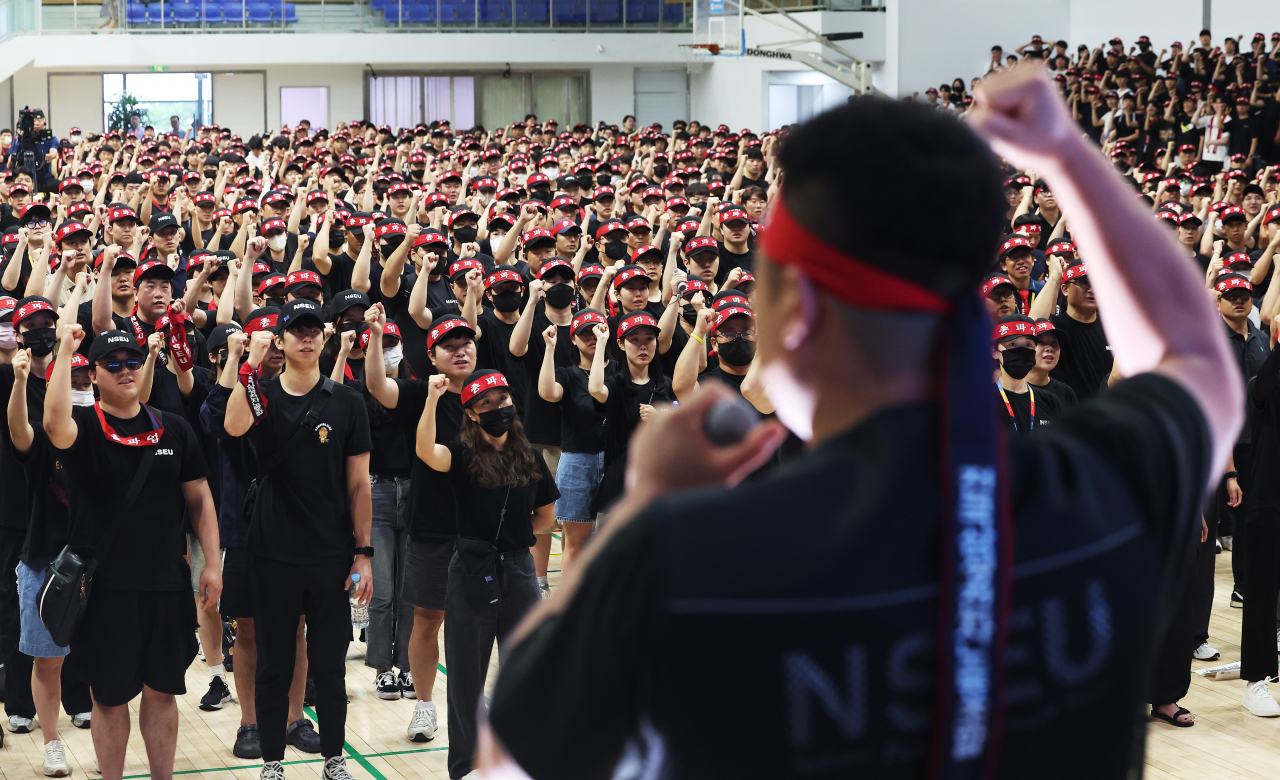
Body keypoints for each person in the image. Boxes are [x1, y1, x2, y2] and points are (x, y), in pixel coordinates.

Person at [484, 68, 1239, 779]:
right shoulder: (1104, 491)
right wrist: (1068, 157)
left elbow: (515, 758)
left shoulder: (687, 558)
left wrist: (644, 511)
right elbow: (1197, 358)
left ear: (797, 310)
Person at [44, 326, 222, 780]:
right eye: (113, 364)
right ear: (96, 373)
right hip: (104, 590)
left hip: (165, 583)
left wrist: (213, 563)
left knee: (163, 692)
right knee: (109, 696)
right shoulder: (83, 428)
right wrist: (66, 348)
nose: (126, 370)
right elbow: (51, 424)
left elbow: (200, 498)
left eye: (133, 361)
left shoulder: (173, 427)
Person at [223, 298, 373, 780]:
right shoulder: (259, 392)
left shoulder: (347, 401)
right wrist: (247, 362)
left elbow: (359, 483)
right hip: (272, 552)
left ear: (325, 338)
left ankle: (334, 757)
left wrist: (364, 553)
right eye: (297, 330)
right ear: (281, 341)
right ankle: (272, 763)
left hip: (330, 553)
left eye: (314, 330)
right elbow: (232, 425)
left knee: (329, 668)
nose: (306, 337)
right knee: (274, 665)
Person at [414, 368, 558, 780]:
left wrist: (514, 539)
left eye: (503, 400)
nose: (499, 408)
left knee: (525, 670)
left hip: (519, 569)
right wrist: (430, 399)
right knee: (466, 677)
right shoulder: (460, 454)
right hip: (471, 571)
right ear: (473, 414)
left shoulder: (528, 455)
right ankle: (466, 767)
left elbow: (546, 515)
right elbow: (426, 450)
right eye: (487, 404)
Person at [364, 313, 476, 744]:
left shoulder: (493, 391)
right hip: (431, 523)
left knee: (479, 623)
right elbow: (377, 386)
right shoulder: (420, 392)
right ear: (431, 356)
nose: (460, 349)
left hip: (482, 527)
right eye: (450, 345)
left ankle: (474, 705)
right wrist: (375, 338)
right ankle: (426, 706)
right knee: (426, 619)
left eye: (466, 342)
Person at [536, 309, 609, 566]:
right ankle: (573, 605)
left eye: (597, 330)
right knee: (576, 545)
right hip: (577, 460)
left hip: (614, 460)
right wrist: (549, 348)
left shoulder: (620, 371)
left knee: (610, 543)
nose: (591, 336)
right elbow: (547, 393)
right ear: (574, 340)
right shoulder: (567, 374)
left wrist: (602, 346)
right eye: (584, 333)